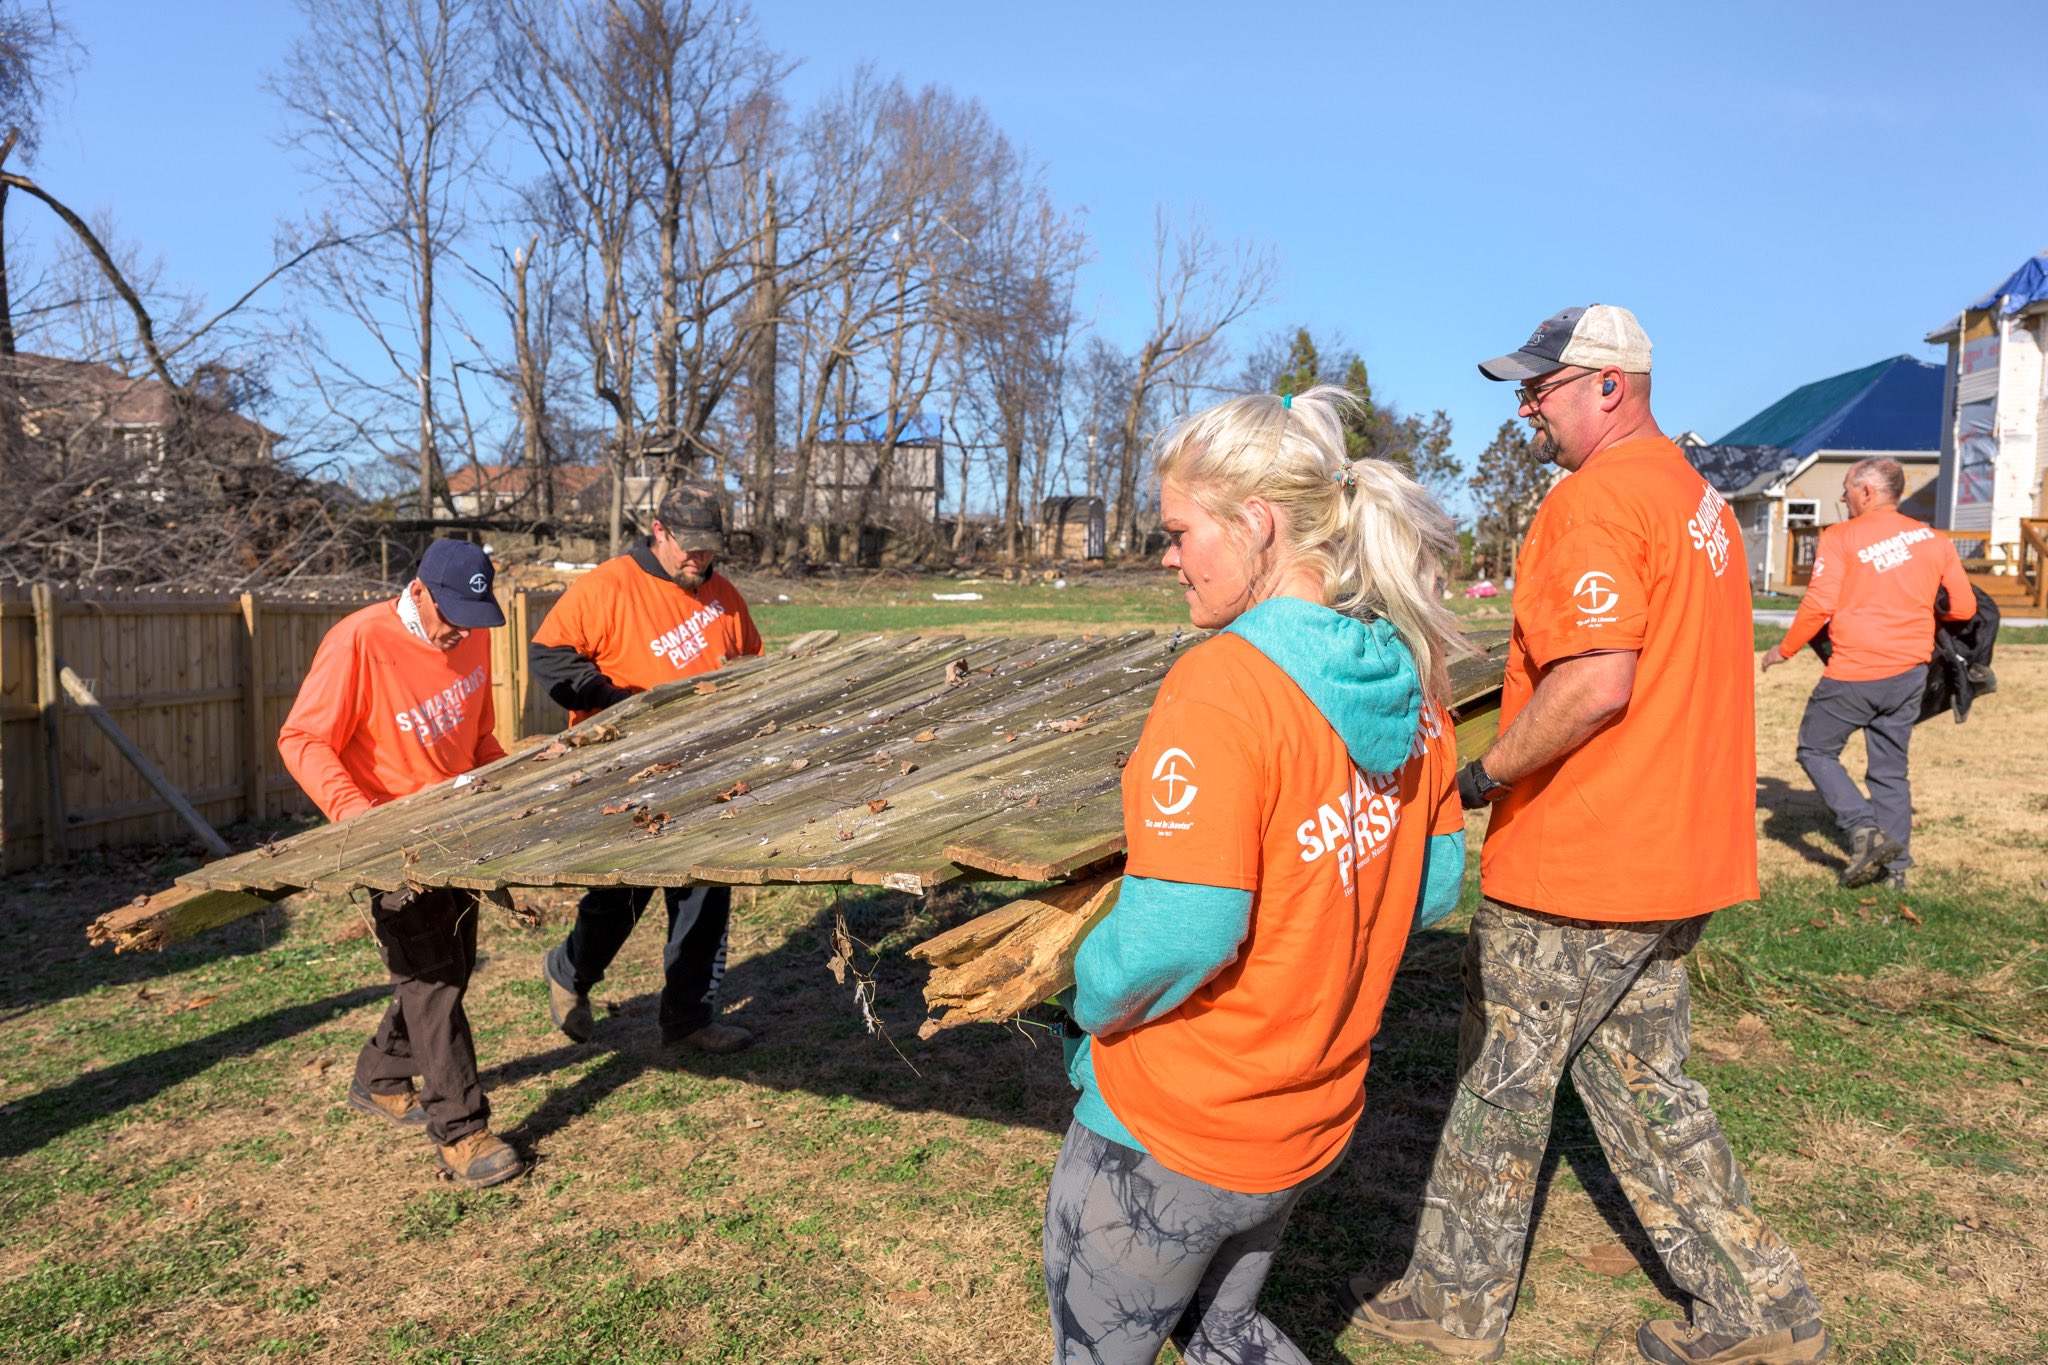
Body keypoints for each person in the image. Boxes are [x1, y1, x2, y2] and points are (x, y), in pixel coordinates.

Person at [1345, 306, 1829, 1365]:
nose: (1524, 411)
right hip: (1676, 850)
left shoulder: (1594, 502)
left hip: (1584, 856)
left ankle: (1448, 1306)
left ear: (1608, 384)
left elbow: (1595, 682)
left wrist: (1479, 775)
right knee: (1642, 1086)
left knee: (1499, 1086)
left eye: (1539, 390)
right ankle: (1763, 1314)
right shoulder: (1691, 497)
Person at [1043, 385, 1468, 1365]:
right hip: (1304, 1120)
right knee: (1222, 1334)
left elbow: (1180, 933)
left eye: (1178, 530)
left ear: (1257, 523)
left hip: (1175, 1126)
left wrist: (1082, 995)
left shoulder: (1222, 685)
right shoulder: (1410, 671)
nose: (1166, 555)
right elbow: (1433, 888)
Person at [279, 539, 525, 1189]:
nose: (459, 632)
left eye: (471, 618)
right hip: (391, 843)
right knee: (436, 981)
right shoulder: (358, 641)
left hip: (454, 830)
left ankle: (381, 1075)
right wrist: (360, 818)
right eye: (449, 615)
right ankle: (462, 1130)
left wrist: (503, 796)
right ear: (417, 591)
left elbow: (477, 736)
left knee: (445, 970)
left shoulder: (471, 631)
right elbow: (302, 739)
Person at [529, 482, 762, 1053]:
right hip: (624, 768)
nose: (699, 559)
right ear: (659, 531)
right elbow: (549, 655)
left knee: (707, 888)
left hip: (704, 768)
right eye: (690, 546)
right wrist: (611, 700)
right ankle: (569, 972)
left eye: (709, 548)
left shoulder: (723, 596)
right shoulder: (609, 586)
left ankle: (687, 1020)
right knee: (622, 892)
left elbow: (752, 667)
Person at [1762, 457, 1974, 889]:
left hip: (1855, 672)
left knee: (1816, 750)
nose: (1842, 497)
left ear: (1867, 492)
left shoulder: (1840, 537)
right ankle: (1895, 873)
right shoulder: (1934, 540)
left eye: (1846, 489)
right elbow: (1964, 608)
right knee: (1890, 770)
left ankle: (1863, 829)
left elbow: (1819, 604)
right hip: (1911, 671)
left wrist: (1783, 651)